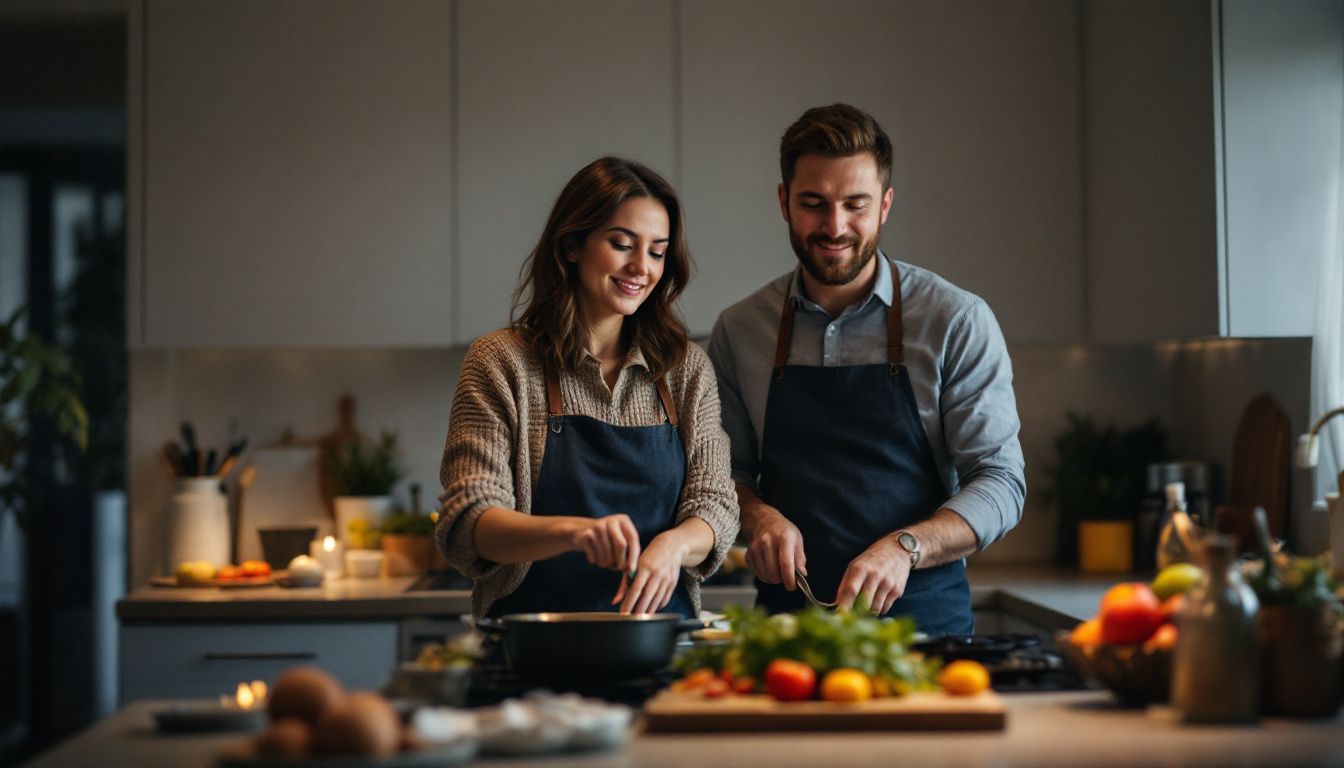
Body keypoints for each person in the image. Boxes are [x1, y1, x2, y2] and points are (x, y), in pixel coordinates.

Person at [707, 104, 1025, 635]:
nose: (835, 227)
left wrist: (907, 547)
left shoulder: (955, 320)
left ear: (885, 206)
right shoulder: (740, 330)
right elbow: (722, 476)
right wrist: (757, 516)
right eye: (814, 204)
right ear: (784, 202)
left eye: (856, 205)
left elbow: (1001, 480)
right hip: (787, 639)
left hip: (924, 633)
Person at [436, 156, 739, 619]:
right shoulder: (501, 362)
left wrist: (675, 546)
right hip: (533, 650)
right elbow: (469, 519)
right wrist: (573, 533)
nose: (642, 267)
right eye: (622, 244)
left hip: (658, 645)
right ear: (572, 246)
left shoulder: (684, 368)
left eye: (657, 252)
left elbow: (716, 505)